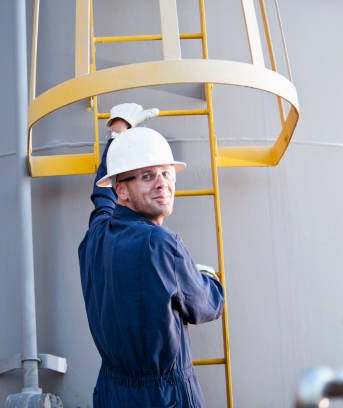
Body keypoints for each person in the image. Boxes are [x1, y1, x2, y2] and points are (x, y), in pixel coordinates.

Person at [78, 103, 225, 407]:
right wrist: (209, 278)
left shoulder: (96, 236)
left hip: (112, 392)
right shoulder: (161, 243)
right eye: (147, 176)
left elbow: (102, 197)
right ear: (124, 190)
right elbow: (204, 306)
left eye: (166, 173)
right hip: (164, 397)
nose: (163, 183)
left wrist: (117, 134)